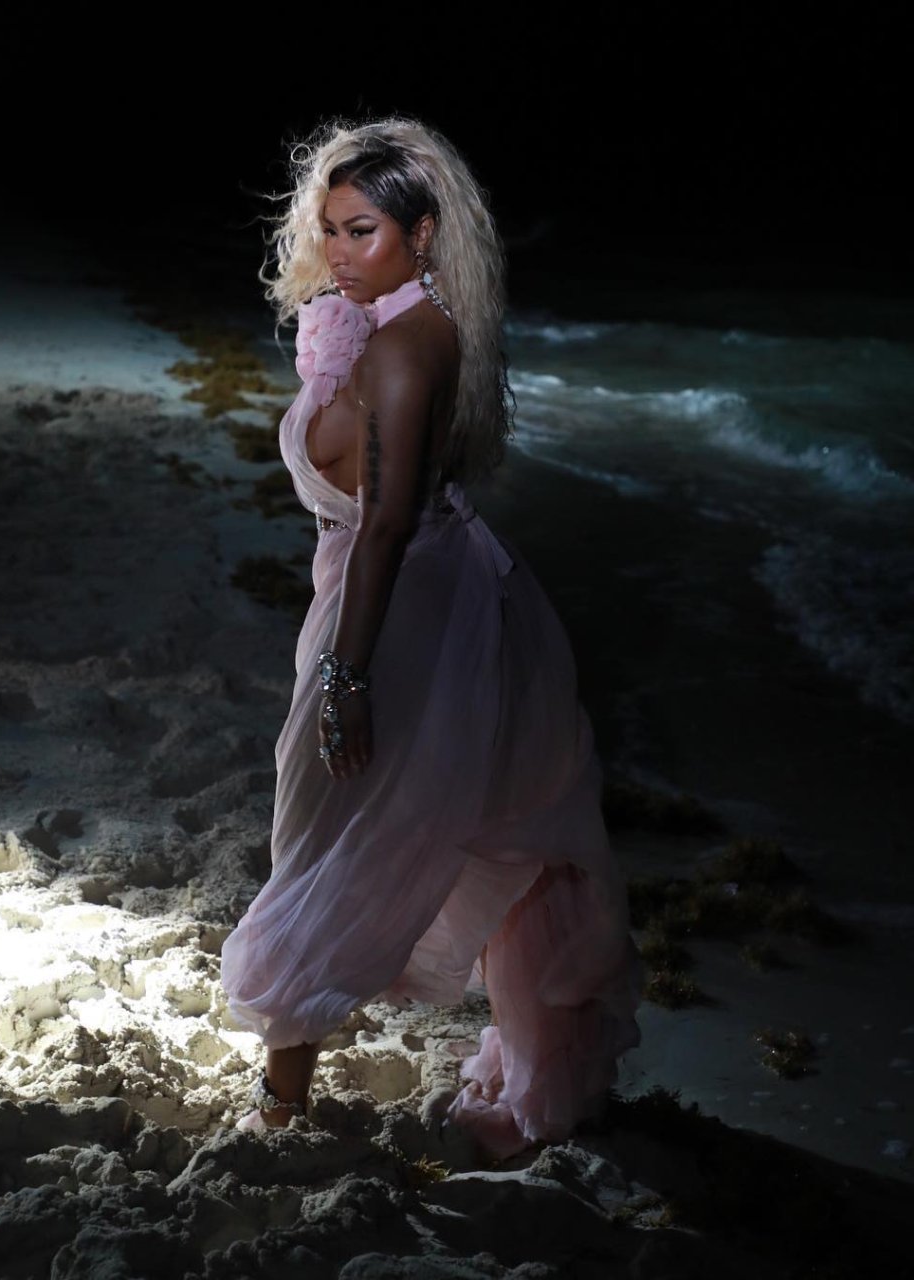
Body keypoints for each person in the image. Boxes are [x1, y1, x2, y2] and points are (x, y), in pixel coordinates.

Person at [220, 116, 644, 1161]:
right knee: (324, 829)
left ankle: (282, 1102)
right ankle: (301, 1085)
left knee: (322, 835)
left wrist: (348, 673)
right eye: (329, 230)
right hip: (391, 590)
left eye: (362, 232)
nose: (338, 253)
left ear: (421, 234)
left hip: (408, 609)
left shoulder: (409, 345)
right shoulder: (388, 324)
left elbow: (388, 524)